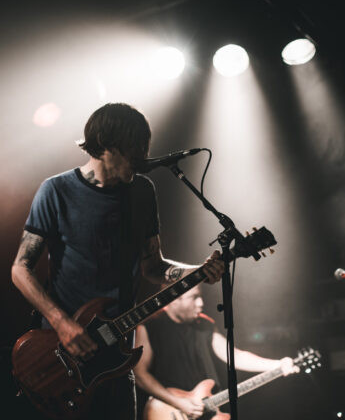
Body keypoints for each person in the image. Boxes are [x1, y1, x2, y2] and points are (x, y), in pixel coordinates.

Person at [11, 102, 225, 420]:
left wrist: (198, 271)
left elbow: (154, 267)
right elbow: (21, 268)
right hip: (62, 352)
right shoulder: (56, 190)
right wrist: (62, 323)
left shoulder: (142, 192)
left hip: (118, 357)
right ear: (106, 144)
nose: (142, 157)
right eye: (135, 148)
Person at [134, 285, 298, 420]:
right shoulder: (149, 326)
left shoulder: (205, 325)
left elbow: (236, 357)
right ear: (175, 300)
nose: (201, 303)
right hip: (169, 411)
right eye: (194, 297)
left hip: (209, 410)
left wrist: (278, 364)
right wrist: (178, 403)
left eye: (200, 296)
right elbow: (140, 375)